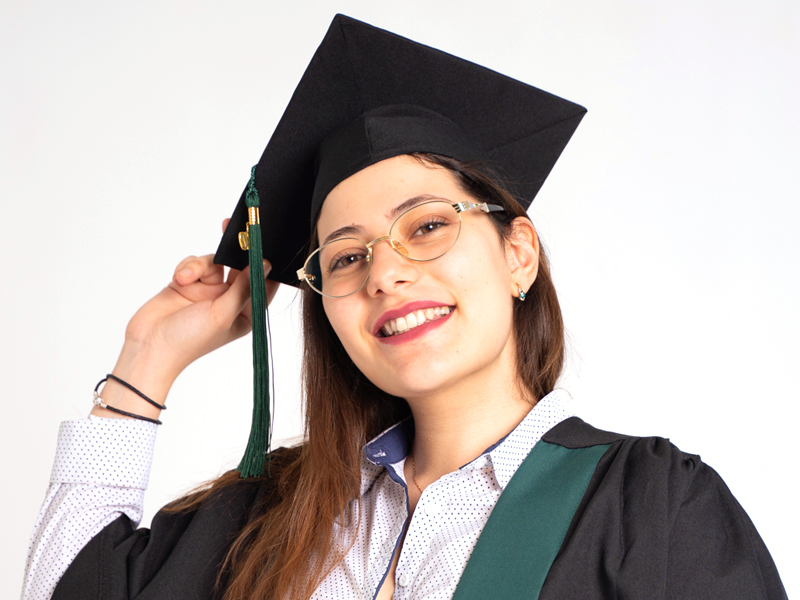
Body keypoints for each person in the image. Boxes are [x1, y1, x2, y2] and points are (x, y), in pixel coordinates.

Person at [22, 14, 787, 600]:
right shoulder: (279, 520)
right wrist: (147, 356)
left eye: (426, 226)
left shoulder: (650, 507)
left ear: (518, 253)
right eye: (347, 257)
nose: (384, 274)